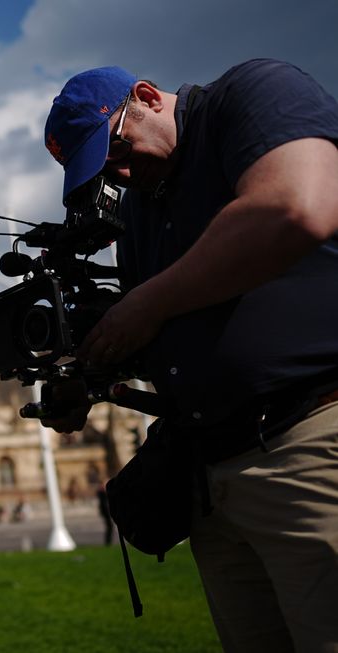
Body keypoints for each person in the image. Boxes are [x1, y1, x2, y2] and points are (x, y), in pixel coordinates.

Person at [43, 60, 338, 651]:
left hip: (306, 439)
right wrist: (91, 373)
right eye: (104, 171)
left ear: (148, 98)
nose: (120, 174)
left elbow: (297, 206)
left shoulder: (251, 95)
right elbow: (164, 334)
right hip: (210, 477)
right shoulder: (138, 209)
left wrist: (147, 304)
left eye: (118, 149)